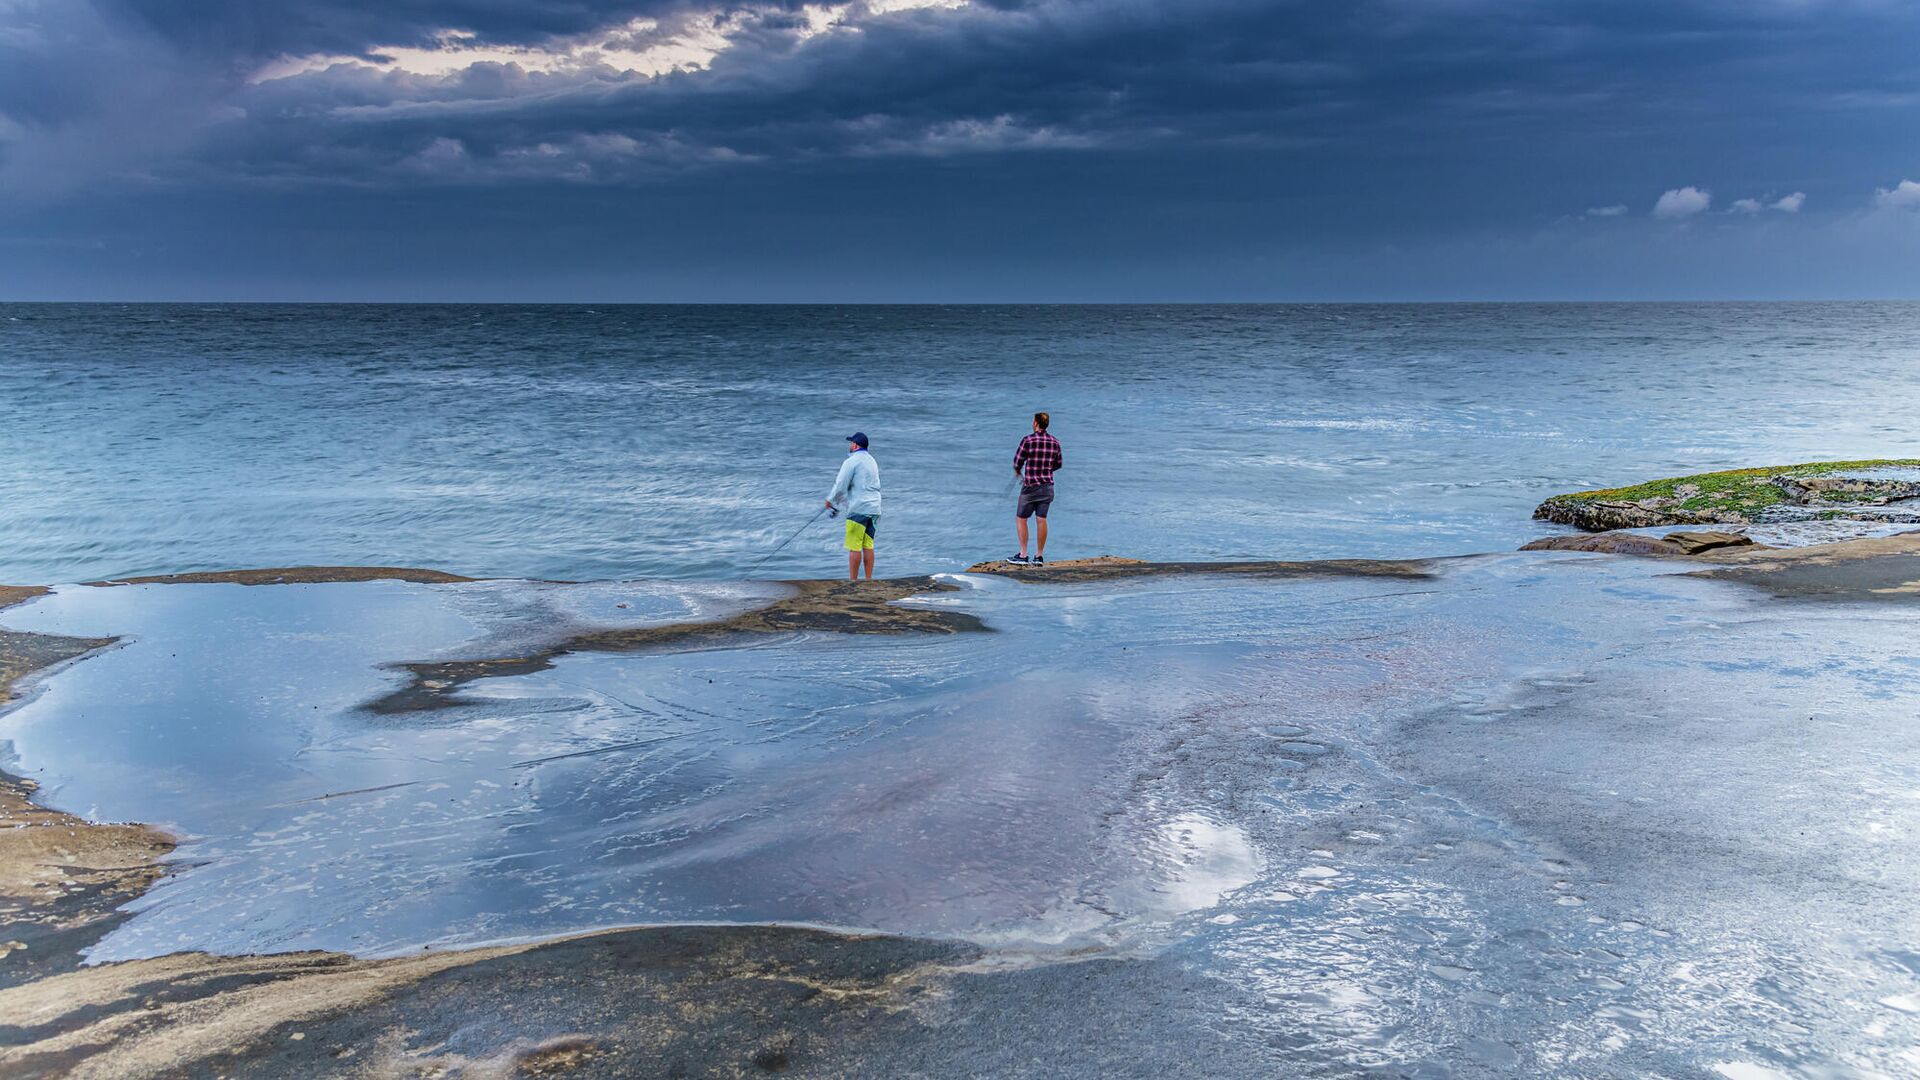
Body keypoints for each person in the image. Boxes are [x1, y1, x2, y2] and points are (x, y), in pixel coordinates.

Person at [826, 431, 882, 580]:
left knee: (854, 546)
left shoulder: (851, 461)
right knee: (868, 544)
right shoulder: (872, 461)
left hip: (859, 508)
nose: (850, 445)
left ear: (856, 445)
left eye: (851, 443)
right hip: (875, 509)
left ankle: (853, 582)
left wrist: (830, 500)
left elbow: (840, 484)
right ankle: (869, 580)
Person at [1009, 411, 1061, 564]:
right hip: (1048, 486)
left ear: (1036, 423)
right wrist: (1045, 470)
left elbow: (1018, 462)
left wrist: (1019, 472)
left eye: (1033, 421)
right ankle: (1039, 556)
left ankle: (1023, 555)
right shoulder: (1055, 442)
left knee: (1021, 519)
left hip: (1030, 486)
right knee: (1041, 519)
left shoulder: (1028, 440)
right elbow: (1058, 464)